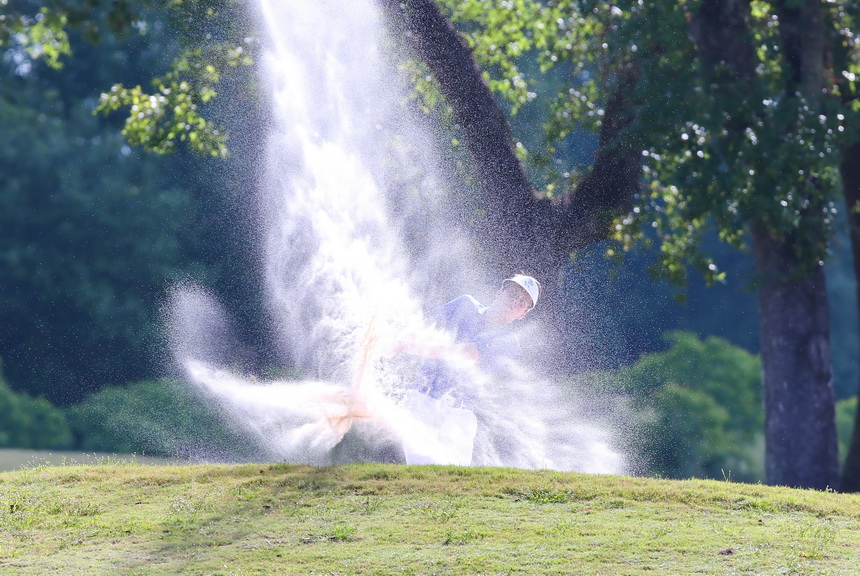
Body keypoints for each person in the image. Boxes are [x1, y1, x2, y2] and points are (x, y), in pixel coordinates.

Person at [397, 274, 541, 465]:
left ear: (523, 314)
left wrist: (401, 345)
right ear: (499, 292)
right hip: (422, 401)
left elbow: (463, 354)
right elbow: (425, 325)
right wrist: (394, 336)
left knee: (455, 481)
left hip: (459, 415)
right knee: (422, 468)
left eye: (523, 302)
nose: (515, 301)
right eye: (513, 293)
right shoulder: (464, 304)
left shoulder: (508, 342)